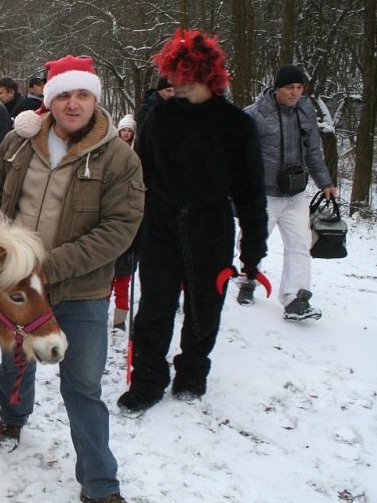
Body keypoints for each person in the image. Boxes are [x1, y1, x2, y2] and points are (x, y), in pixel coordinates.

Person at [0, 55, 142, 503]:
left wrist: (48, 267)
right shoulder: (18, 142)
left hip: (82, 291)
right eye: (63, 95)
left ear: (95, 98)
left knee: (83, 387)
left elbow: (120, 228)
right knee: (16, 360)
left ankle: (100, 486)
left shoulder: (118, 157)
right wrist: (1, 247)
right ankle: (13, 416)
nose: (73, 104)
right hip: (18, 286)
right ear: (49, 99)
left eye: (83, 95)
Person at [116, 30, 268, 415]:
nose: (176, 85)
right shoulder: (160, 117)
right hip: (161, 223)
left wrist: (253, 250)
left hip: (211, 225)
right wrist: (133, 228)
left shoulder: (237, 126)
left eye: (186, 77)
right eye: (174, 76)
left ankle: (193, 371)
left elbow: (251, 194)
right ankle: (147, 378)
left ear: (208, 76)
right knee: (155, 306)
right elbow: (142, 178)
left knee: (205, 306)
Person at [237, 64, 336, 320]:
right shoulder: (255, 114)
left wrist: (325, 182)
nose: (295, 93)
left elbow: (313, 150)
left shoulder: (306, 111)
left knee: (300, 246)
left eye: (300, 88)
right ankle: (247, 282)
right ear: (277, 88)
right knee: (253, 241)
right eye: (290, 88)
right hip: (264, 194)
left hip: (295, 192)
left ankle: (295, 298)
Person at [108, 114, 138, 329]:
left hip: (126, 255)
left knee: (122, 287)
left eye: (129, 130)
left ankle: (119, 320)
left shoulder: (136, 153)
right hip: (111, 253)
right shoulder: (115, 150)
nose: (126, 133)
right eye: (123, 130)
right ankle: (102, 314)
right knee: (107, 285)